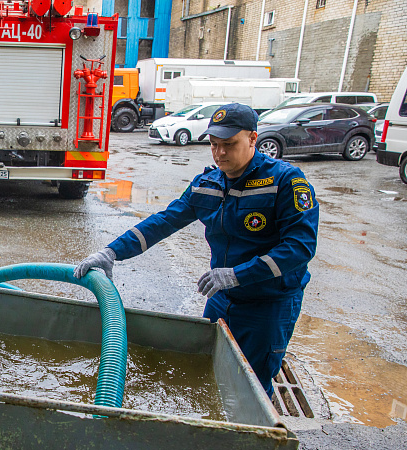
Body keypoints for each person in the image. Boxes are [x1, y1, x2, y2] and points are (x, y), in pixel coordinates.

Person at [74, 103, 319, 397]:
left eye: (229, 145)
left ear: (253, 139)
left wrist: (239, 274)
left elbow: (300, 247)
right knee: (208, 369)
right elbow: (164, 221)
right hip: (222, 297)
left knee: (252, 386)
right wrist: (111, 252)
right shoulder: (208, 184)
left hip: (268, 306)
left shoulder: (285, 182)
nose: (220, 154)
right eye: (214, 145)